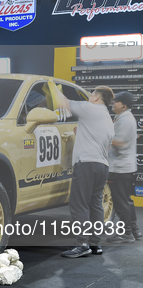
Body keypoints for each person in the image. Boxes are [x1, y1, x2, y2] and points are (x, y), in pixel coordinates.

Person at [53, 84, 115, 258]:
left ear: (96, 97)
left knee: (79, 204)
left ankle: (82, 244)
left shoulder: (89, 108)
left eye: (92, 93)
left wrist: (51, 86)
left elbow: (62, 101)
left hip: (87, 164)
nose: (90, 96)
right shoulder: (106, 119)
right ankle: (95, 244)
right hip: (102, 166)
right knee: (95, 204)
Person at [107, 91, 141, 243]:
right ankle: (134, 230)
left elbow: (120, 143)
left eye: (116, 102)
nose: (113, 104)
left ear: (124, 105)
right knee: (126, 201)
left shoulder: (125, 120)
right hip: (124, 168)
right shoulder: (125, 118)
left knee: (121, 203)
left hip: (120, 168)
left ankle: (126, 234)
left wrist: (103, 136)